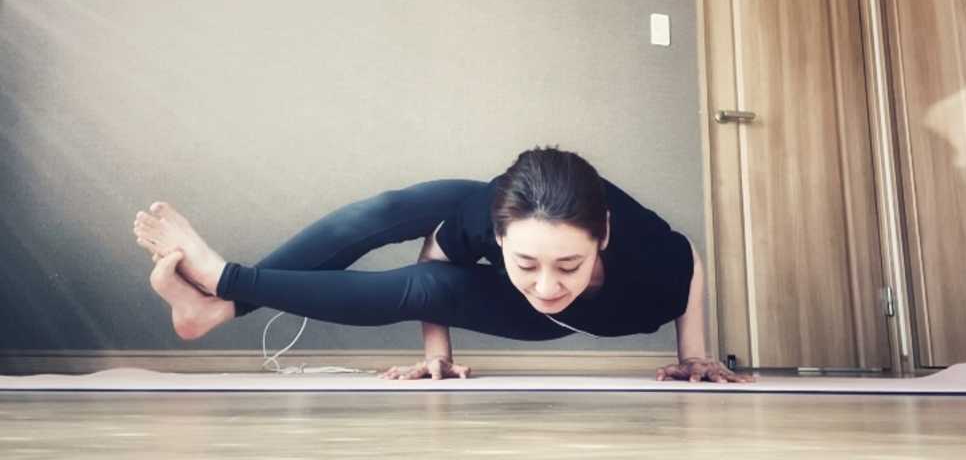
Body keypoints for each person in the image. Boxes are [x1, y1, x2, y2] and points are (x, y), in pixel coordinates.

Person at [133, 146, 751, 383]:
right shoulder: (485, 214)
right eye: (527, 263)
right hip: (495, 208)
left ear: (603, 238)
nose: (546, 285)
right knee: (394, 213)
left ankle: (222, 287)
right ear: (499, 239)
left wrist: (694, 353)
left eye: (569, 266)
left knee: (424, 283)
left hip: (543, 314)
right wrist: (439, 357)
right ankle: (217, 302)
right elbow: (436, 263)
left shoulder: (650, 262)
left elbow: (689, 262)